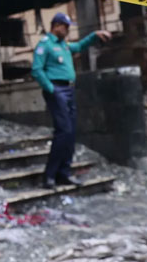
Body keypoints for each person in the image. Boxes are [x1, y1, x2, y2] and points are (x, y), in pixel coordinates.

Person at [31, 12, 112, 189]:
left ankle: (64, 173)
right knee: (63, 131)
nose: (67, 31)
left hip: (68, 89)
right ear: (56, 26)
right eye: (65, 27)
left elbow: (80, 46)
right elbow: (36, 69)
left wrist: (94, 35)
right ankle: (50, 176)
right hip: (56, 89)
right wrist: (51, 89)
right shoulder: (45, 44)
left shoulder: (64, 46)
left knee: (71, 132)